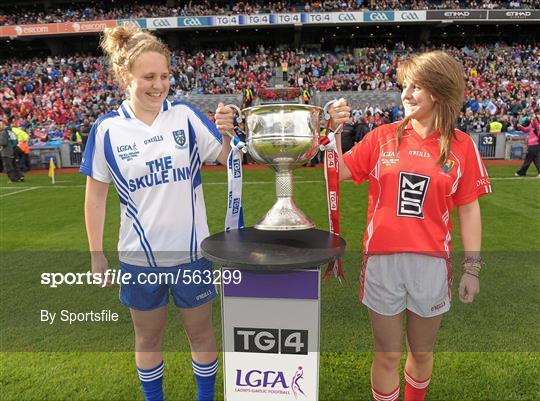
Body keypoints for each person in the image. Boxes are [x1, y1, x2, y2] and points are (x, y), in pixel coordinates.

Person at [81, 24, 235, 401]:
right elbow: (96, 197)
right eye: (148, 76)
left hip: (193, 254)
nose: (158, 84)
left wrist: (228, 133)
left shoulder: (183, 115)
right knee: (148, 337)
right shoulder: (107, 130)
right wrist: (96, 254)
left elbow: (225, 158)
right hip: (139, 258)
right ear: (124, 76)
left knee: (201, 334)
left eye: (164, 75)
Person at [328, 51, 491, 401]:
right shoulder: (381, 137)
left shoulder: (463, 147)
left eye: (417, 87)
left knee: (421, 353)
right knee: (386, 354)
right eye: (405, 86)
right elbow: (336, 172)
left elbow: (469, 211)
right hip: (382, 262)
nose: (406, 94)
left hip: (431, 264)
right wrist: (333, 133)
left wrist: (472, 268)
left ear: (439, 92)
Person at [0, 116, 24, 182]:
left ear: (4, 125)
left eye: (0, 125)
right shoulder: (12, 132)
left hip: (6, 151)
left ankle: (13, 179)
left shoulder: (3, 133)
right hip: (13, 150)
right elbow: (16, 141)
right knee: (14, 165)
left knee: (8, 166)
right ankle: (20, 176)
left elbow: (3, 143)